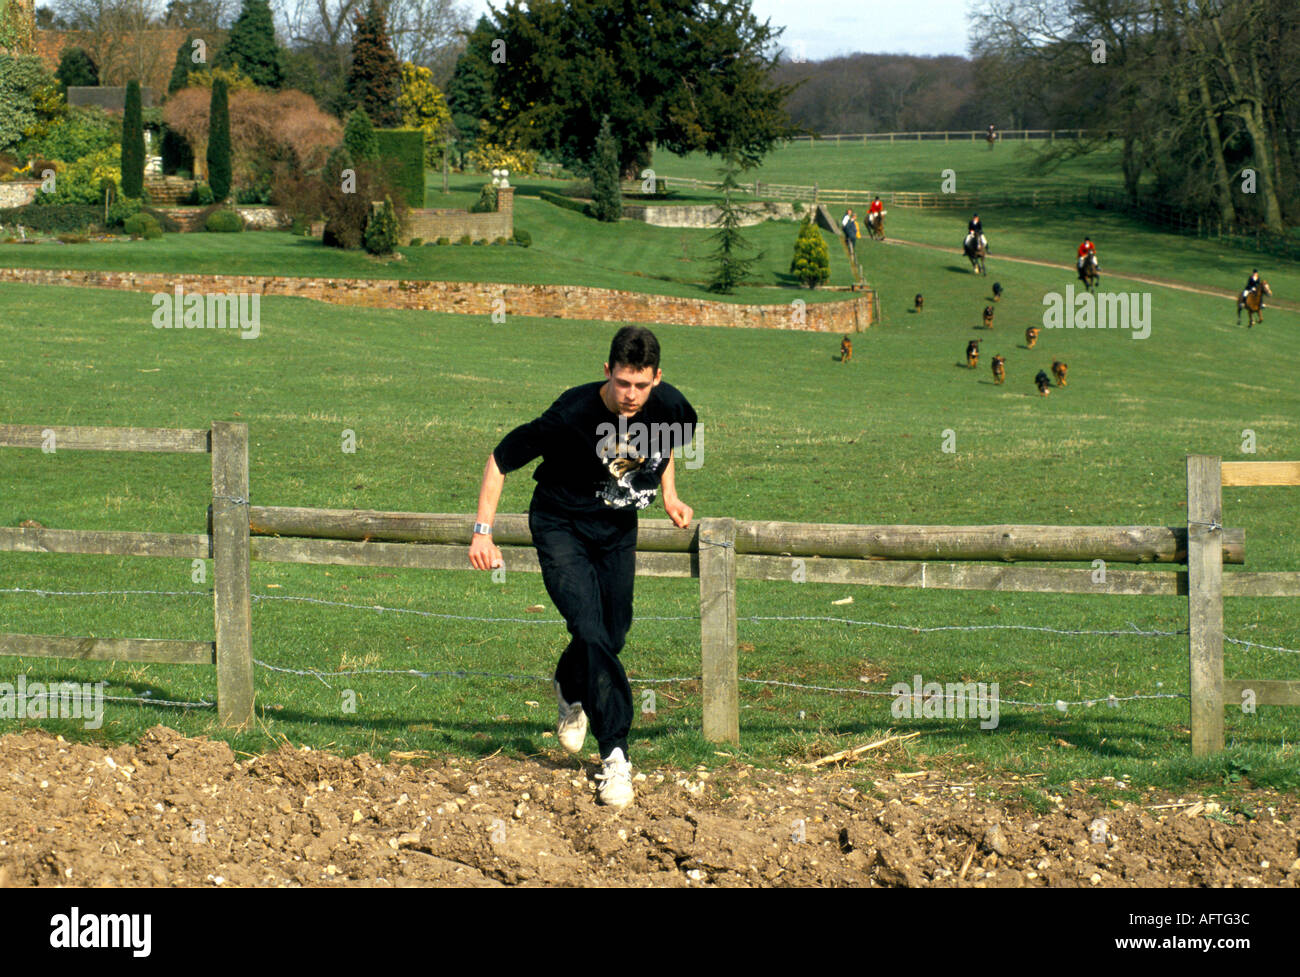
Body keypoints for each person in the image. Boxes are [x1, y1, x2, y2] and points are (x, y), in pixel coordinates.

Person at [469, 326, 697, 809]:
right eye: (622, 383)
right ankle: (615, 754)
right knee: (591, 630)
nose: (630, 395)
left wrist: (671, 495)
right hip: (561, 526)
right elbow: (500, 459)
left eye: (640, 384)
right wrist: (482, 532)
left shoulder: (673, 407)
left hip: (616, 531)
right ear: (607, 372)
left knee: (614, 633)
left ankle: (568, 685)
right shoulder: (571, 415)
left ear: (657, 378)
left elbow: (665, 448)